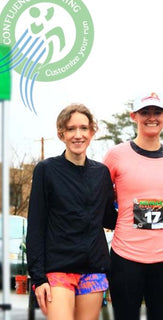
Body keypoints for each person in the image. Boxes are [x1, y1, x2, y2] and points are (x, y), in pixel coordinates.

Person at [103, 92, 163, 320]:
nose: (151, 117)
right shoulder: (116, 155)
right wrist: (120, 223)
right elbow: (99, 201)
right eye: (145, 112)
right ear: (134, 116)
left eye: (157, 112)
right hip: (126, 258)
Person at [26, 103, 117, 319]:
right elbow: (36, 226)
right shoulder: (46, 170)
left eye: (84, 128)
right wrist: (38, 278)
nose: (78, 135)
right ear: (61, 134)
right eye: (71, 129)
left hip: (93, 268)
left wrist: (140, 207)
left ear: (92, 132)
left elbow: (108, 218)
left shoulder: (101, 172)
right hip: (58, 269)